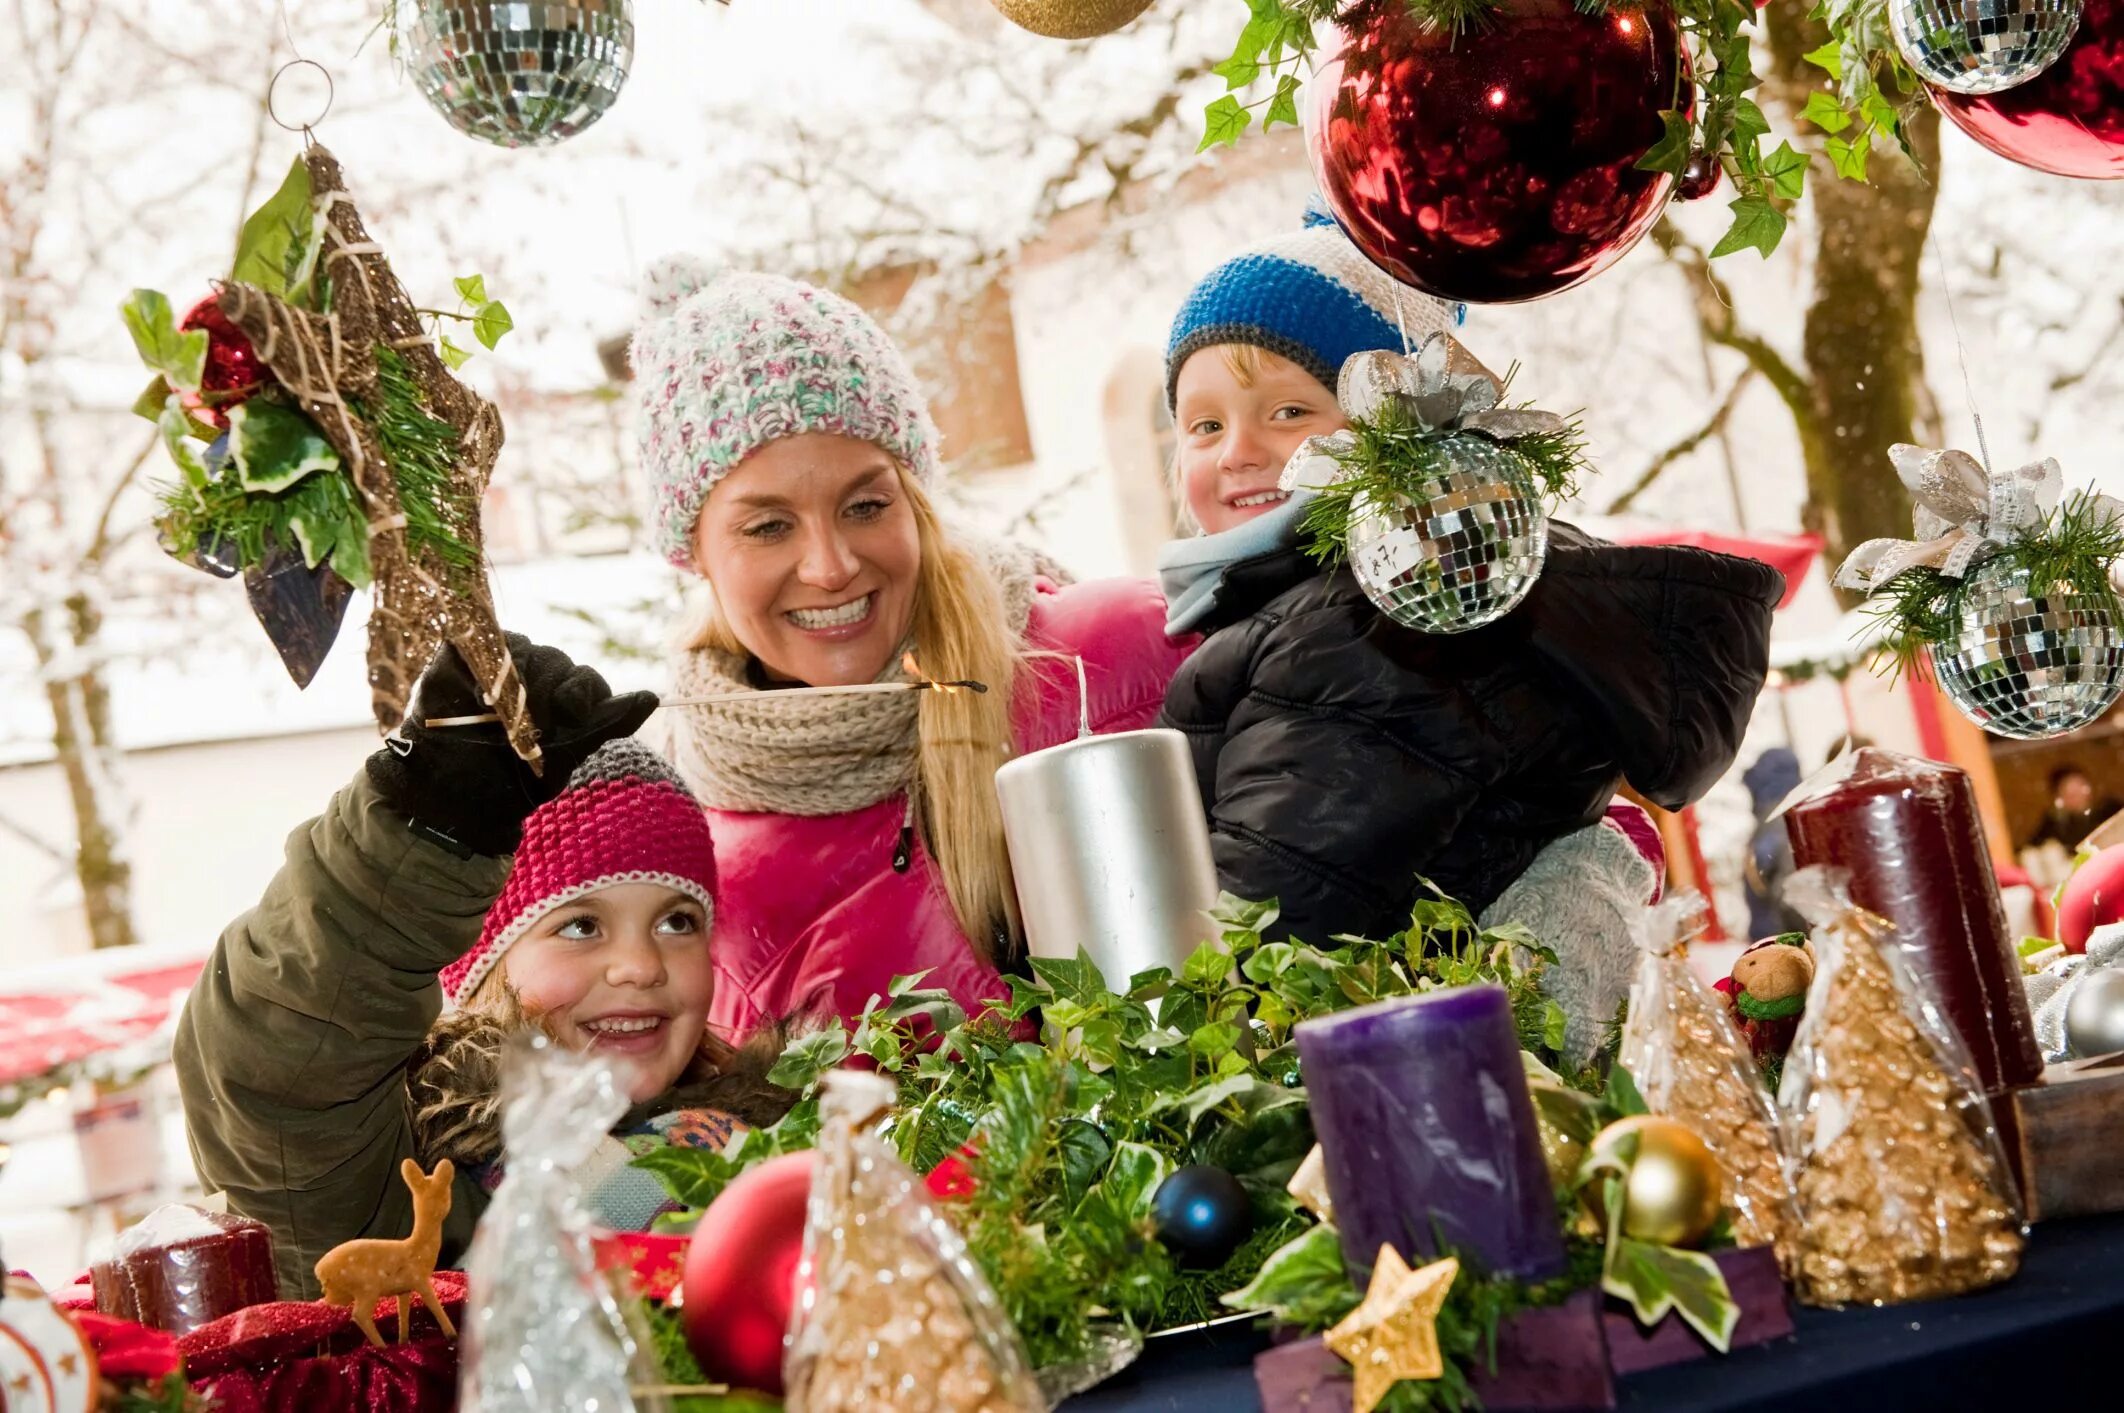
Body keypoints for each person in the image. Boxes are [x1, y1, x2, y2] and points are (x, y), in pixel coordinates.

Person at [1154, 211, 1783, 970]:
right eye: (1204, 425)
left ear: (1388, 428)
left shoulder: (1371, 620)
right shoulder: (1298, 607)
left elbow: (1266, 934)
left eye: (1290, 411)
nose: (1238, 452)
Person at [631, 259, 1192, 1041]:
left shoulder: (1113, 661)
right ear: (691, 552)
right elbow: (659, 1147)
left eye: (865, 505)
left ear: (915, 499)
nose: (830, 565)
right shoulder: (691, 874)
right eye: (767, 526)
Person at [176, 640, 789, 1296]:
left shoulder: (778, 1151)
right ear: (483, 968)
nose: (640, 965)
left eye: (677, 921)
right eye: (579, 925)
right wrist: (430, 826)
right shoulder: (410, 1185)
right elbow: (281, 1062)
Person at [2027, 764, 2121, 854]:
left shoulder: (2109, 809)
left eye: (2082, 788)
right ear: (2060, 799)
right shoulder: (2054, 826)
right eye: (2071, 794)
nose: (2080, 797)